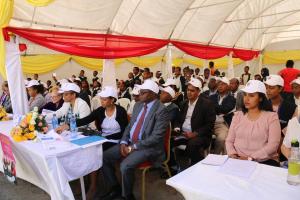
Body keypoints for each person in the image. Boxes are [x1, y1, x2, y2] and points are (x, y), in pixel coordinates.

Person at [101, 80, 169, 200]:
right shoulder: (138, 105)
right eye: (140, 91)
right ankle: (114, 188)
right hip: (130, 143)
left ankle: (127, 196)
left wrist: (133, 147)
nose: (140, 94)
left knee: (125, 166)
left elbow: (156, 137)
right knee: (104, 157)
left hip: (148, 147)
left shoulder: (161, 110)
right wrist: (123, 142)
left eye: (143, 92)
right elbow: (129, 126)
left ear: (153, 94)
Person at [226, 80, 281, 166]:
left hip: (264, 161)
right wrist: (232, 154)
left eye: (251, 96)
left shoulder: (271, 117)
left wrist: (250, 158)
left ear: (261, 98)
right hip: (238, 159)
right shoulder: (238, 115)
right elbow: (229, 140)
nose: (246, 99)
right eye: (245, 95)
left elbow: (273, 145)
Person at [173, 78, 216, 165]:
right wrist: (177, 128)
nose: (189, 92)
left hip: (200, 135)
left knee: (192, 145)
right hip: (183, 134)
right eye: (188, 90)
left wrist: (195, 133)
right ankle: (172, 167)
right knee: (166, 141)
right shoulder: (183, 103)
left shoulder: (207, 104)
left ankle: (197, 167)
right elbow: (178, 119)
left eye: (192, 91)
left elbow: (209, 125)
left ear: (198, 92)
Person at [210, 77, 236, 154]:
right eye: (218, 84)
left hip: (221, 123)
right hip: (209, 122)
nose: (220, 86)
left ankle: (216, 155)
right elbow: (208, 108)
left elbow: (225, 109)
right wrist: (218, 109)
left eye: (223, 84)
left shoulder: (232, 99)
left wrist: (213, 106)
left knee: (222, 138)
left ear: (228, 86)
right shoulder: (212, 97)